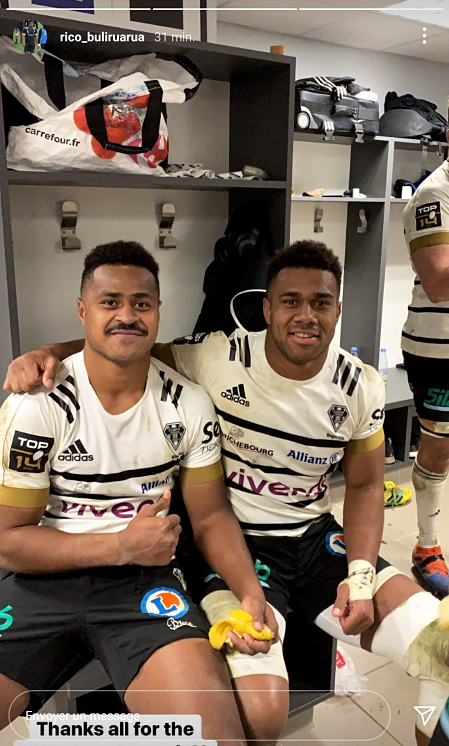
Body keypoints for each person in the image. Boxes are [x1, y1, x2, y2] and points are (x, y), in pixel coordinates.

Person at [5, 240, 449, 746]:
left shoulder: (359, 384)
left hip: (313, 539)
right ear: (267, 308)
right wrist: (48, 353)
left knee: (442, 651)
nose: (306, 316)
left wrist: (362, 576)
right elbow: (125, 345)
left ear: (338, 310)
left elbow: (367, 484)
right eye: (290, 301)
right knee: (261, 715)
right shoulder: (217, 357)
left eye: (321, 303)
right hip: (239, 547)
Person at [0, 240, 277, 742]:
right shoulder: (36, 405)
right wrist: (119, 546)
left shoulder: (188, 403)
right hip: (42, 580)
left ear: (158, 311)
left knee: (219, 738)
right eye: (110, 302)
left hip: (144, 586)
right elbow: (9, 541)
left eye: (141, 303)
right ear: (82, 311)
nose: (126, 315)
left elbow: (211, 517)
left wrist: (249, 592)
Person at [401, 126, 449, 598]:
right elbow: (438, 281)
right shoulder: (434, 195)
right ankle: (427, 545)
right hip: (439, 350)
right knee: (439, 447)